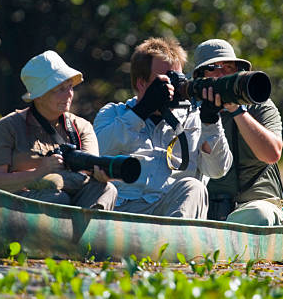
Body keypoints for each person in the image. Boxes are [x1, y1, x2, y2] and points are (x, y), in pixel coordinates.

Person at [93, 37, 232, 219]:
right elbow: (99, 151)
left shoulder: (195, 120)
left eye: (179, 79)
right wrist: (141, 112)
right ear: (141, 83)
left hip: (171, 212)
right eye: (168, 79)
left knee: (194, 187)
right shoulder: (113, 114)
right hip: (124, 214)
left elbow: (218, 170)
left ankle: (174, 247)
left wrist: (211, 121)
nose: (175, 87)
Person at [0, 50, 117, 210]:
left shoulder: (81, 127)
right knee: (57, 198)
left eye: (70, 87)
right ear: (38, 96)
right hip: (23, 205)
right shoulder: (8, 126)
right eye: (60, 89)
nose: (69, 95)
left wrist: (102, 173)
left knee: (107, 190)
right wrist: (39, 172)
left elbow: (91, 166)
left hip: (75, 192)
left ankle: (87, 233)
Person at [192, 39, 283, 226]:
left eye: (228, 67)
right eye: (213, 68)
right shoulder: (189, 110)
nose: (221, 75)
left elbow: (272, 154)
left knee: (259, 215)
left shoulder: (260, 106)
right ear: (200, 76)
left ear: (237, 71)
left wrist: (236, 110)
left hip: (256, 206)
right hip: (205, 208)